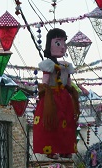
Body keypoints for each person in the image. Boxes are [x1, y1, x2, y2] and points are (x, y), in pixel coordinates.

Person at [32, 28, 80, 157]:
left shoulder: (66, 66)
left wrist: (72, 93)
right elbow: (45, 82)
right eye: (58, 43)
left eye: (64, 43)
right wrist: (44, 92)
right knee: (51, 122)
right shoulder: (48, 64)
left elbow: (68, 84)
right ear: (50, 44)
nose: (63, 47)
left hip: (64, 98)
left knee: (66, 123)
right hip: (51, 99)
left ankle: (65, 149)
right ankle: (51, 150)